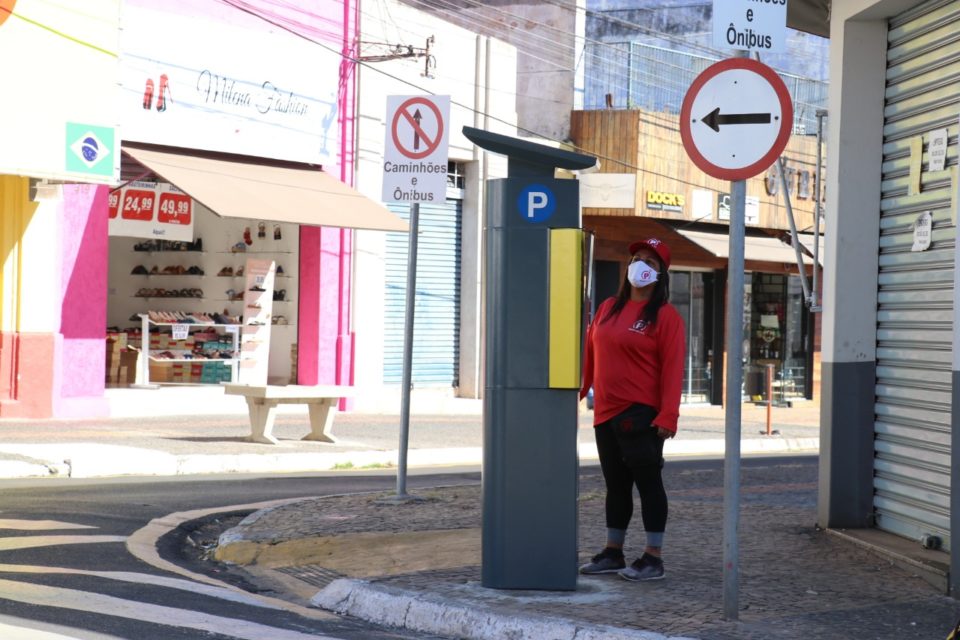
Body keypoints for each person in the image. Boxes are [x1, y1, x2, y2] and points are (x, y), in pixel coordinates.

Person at [578, 237, 686, 582]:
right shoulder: (609, 307)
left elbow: (673, 369)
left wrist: (668, 415)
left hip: (641, 414)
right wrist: (581, 388)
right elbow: (591, 349)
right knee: (616, 486)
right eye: (637, 258)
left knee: (649, 484)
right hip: (605, 412)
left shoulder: (666, 317)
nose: (640, 265)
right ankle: (613, 552)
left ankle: (653, 558)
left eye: (650, 262)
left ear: (660, 274)